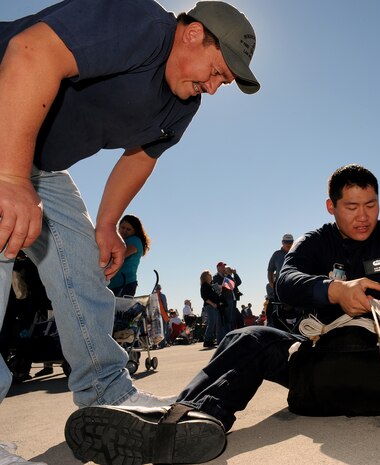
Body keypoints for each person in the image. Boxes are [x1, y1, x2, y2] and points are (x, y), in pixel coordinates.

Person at [65, 165, 380, 465]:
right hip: (318, 371)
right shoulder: (315, 242)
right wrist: (334, 291)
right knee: (249, 337)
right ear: (332, 206)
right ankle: (188, 423)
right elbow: (286, 280)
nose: (362, 215)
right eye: (350, 206)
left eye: (370, 204)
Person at [0, 0, 260, 437]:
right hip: (7, 117)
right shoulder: (138, 23)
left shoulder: (183, 103)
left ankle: (107, 392)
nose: (214, 88)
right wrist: (8, 175)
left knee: (81, 263)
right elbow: (31, 52)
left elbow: (141, 156)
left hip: (41, 165)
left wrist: (106, 224)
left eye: (223, 83)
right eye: (217, 72)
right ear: (193, 33)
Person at [107, 215, 150, 297]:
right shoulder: (121, 241)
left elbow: (119, 255)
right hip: (113, 285)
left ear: (135, 231)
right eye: (122, 227)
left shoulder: (134, 240)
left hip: (124, 284)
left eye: (128, 229)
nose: (124, 231)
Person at [199, 270, 224, 349]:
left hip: (213, 306)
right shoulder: (204, 285)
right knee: (211, 322)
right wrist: (213, 304)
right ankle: (207, 340)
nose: (211, 276)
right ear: (206, 276)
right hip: (209, 306)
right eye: (209, 275)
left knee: (213, 322)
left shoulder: (210, 285)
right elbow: (204, 297)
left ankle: (210, 340)